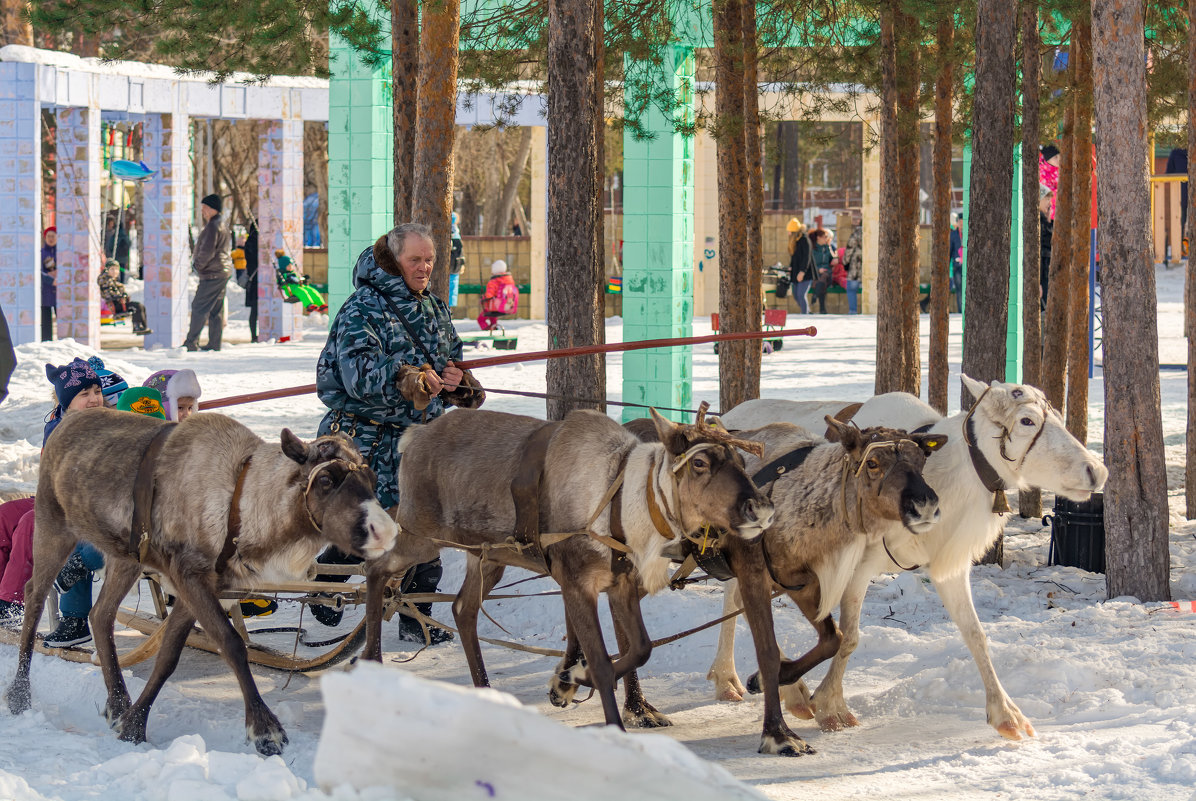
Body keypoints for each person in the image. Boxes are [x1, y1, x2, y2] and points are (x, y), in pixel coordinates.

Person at [314, 222, 485, 643]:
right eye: (416, 259)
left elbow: (453, 362)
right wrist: (407, 378)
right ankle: (323, 586)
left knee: (426, 532)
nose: (425, 267)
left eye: (429, 259)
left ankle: (416, 617)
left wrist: (457, 381)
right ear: (394, 261)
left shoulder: (436, 308)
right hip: (366, 441)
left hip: (419, 443)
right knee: (369, 528)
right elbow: (356, 377)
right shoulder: (362, 309)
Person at [184, 194, 232, 352]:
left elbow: (207, 251)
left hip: (213, 273)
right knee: (215, 308)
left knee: (199, 306)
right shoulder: (220, 223)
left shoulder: (213, 226)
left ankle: (191, 342)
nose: (202, 211)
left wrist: (197, 265)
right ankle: (214, 343)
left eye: (205, 208)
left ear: (213, 209)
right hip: (221, 271)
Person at [98, 258, 152, 335]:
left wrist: (123, 295)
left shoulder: (113, 281)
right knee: (137, 306)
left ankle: (142, 326)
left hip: (119, 303)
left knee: (140, 306)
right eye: (112, 269)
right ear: (107, 270)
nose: (115, 271)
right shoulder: (106, 281)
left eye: (116, 269)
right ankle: (137, 327)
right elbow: (108, 293)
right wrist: (121, 296)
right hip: (116, 305)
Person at [477, 259, 518, 331]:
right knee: (492, 316)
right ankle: (494, 327)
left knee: (480, 319)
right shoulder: (509, 279)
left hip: (494, 306)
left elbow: (489, 295)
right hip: (506, 305)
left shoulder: (493, 281)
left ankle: (487, 330)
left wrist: (483, 298)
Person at [787, 218, 814, 314]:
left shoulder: (804, 240)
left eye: (790, 231)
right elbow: (794, 257)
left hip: (805, 272)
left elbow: (806, 258)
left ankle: (805, 314)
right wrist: (790, 267)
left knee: (801, 295)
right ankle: (807, 312)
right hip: (796, 271)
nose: (788, 233)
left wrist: (802, 272)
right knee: (795, 295)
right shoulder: (795, 241)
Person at [809, 228, 833, 315]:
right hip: (816, 273)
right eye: (824, 237)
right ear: (818, 237)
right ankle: (822, 309)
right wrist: (818, 270)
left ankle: (815, 296)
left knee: (824, 275)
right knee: (821, 282)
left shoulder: (827, 247)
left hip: (827, 273)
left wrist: (834, 259)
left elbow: (832, 258)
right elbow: (810, 263)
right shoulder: (813, 248)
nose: (826, 238)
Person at [242, 223, 260, 343]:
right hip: (257, 278)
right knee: (256, 308)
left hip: (253, 278)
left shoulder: (249, 241)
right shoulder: (256, 242)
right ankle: (254, 335)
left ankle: (254, 335)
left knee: (254, 309)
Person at [103, 214, 131, 282]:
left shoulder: (115, 236)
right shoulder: (125, 235)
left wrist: (111, 252)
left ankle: (116, 281)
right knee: (122, 269)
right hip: (124, 257)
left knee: (115, 269)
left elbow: (110, 245)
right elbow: (129, 243)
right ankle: (122, 281)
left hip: (117, 256)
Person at [40, 227, 57, 341]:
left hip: (59, 291)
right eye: (48, 236)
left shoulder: (61, 252)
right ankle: (46, 342)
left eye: (53, 236)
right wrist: (51, 280)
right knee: (46, 320)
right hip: (45, 291)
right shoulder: (41, 253)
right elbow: (39, 272)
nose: (50, 239)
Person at [843, 224, 862, 314]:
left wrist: (845, 262)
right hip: (869, 268)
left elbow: (849, 250)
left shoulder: (856, 234)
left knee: (851, 289)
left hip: (855, 267)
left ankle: (853, 311)